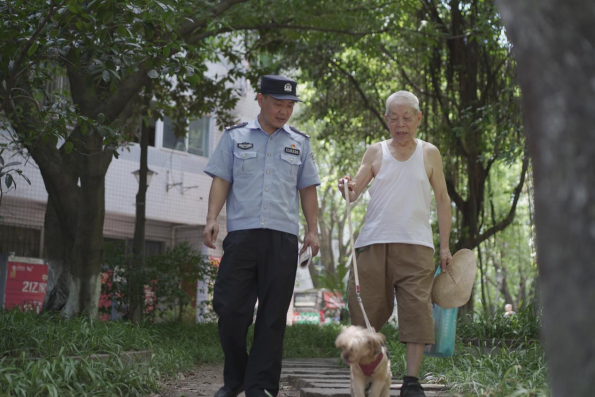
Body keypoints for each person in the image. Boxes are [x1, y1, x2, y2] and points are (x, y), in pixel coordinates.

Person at [203, 75, 320, 397]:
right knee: (229, 309)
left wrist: (312, 230)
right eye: (278, 104)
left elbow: (307, 188)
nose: (284, 111)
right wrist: (212, 218)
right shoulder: (234, 137)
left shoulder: (300, 143)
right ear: (260, 99)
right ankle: (237, 378)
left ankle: (261, 386)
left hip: (282, 238)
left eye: (289, 106)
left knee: (271, 317)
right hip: (242, 236)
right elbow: (221, 180)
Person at [338, 91, 452, 397]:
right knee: (364, 311)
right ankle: (370, 373)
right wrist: (346, 187)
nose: (401, 124)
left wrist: (444, 247)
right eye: (394, 118)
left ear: (418, 119)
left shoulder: (430, 153)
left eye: (407, 117)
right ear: (386, 119)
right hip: (374, 242)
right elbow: (353, 192)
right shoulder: (375, 152)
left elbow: (442, 200)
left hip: (417, 245)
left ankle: (411, 382)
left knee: (417, 311)